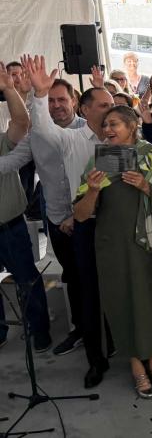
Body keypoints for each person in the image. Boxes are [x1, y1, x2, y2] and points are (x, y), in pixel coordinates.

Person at [72, 106, 152, 399]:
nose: (107, 129)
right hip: (114, 246)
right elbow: (81, 214)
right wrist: (93, 190)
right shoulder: (100, 161)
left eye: (114, 124)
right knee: (123, 302)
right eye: (105, 124)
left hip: (149, 245)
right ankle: (138, 368)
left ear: (133, 125)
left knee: (151, 302)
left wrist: (147, 187)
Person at [24, 56, 115, 387]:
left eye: (112, 103)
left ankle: (127, 346)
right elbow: (44, 128)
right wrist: (38, 95)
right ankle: (96, 360)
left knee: (119, 289)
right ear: (85, 110)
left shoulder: (121, 141)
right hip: (85, 225)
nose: (109, 110)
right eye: (102, 104)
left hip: (118, 227)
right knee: (88, 293)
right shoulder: (71, 140)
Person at [0, 78, 87, 357]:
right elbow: (11, 163)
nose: (57, 105)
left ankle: (104, 328)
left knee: (94, 276)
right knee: (72, 277)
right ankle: (81, 329)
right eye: (50, 100)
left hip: (89, 218)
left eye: (62, 99)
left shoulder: (90, 131)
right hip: (57, 220)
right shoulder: (36, 137)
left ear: (74, 101)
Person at [0, 66, 52, 353]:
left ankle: (39, 328)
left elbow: (21, 121)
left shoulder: (2, 141)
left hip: (9, 225)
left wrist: (9, 89)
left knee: (25, 279)